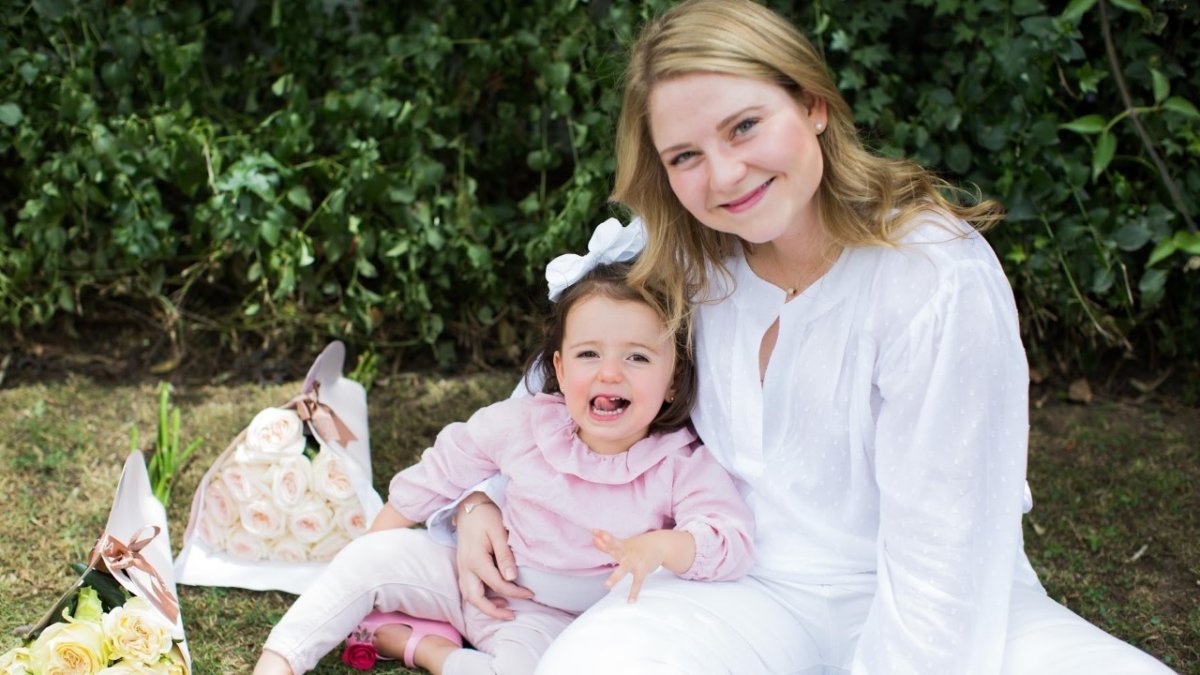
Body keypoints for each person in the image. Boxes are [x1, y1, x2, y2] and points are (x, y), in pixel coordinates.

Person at [444, 1, 1176, 673]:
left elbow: (946, 552)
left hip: (934, 596)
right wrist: (478, 498)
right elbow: (556, 390)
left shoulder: (931, 275)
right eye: (685, 156)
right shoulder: (681, 250)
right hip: (731, 586)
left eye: (744, 126)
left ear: (813, 104)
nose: (725, 174)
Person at [251, 224, 755, 675]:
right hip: (464, 570)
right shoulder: (526, 423)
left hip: (546, 619)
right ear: (558, 370)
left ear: (672, 381)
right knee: (368, 559)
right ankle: (279, 661)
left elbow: (729, 537)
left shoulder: (677, 462)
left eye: (638, 357)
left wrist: (663, 547)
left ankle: (425, 649)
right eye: (588, 354)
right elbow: (441, 469)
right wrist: (376, 543)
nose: (609, 372)